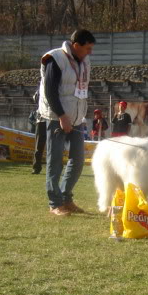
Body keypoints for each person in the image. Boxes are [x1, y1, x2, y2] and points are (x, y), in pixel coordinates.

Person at [38, 29, 96, 216]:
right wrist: (62, 116)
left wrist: (80, 117)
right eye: (87, 48)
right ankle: (55, 203)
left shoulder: (85, 60)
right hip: (56, 117)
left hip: (77, 118)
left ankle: (66, 197)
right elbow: (50, 91)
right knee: (55, 161)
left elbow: (81, 89)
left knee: (78, 160)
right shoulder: (55, 59)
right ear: (76, 45)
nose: (90, 52)